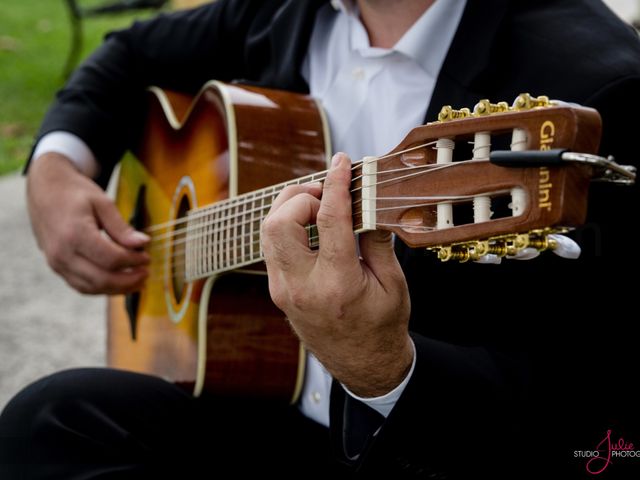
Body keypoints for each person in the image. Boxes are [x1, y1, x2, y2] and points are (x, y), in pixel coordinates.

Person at [1, 0, 640, 478]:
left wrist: (384, 369)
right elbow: (128, 53)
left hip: (425, 446)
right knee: (49, 421)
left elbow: (598, 431)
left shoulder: (597, 84)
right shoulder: (287, 9)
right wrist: (56, 165)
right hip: (255, 402)